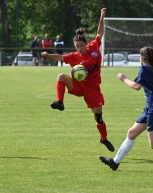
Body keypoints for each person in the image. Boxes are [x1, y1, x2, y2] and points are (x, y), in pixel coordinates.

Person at [41, 8, 115, 152]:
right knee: (61, 76)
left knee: (98, 117)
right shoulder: (75, 56)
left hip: (93, 89)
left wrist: (102, 16)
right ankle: (60, 102)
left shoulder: (94, 47)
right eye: (77, 47)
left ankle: (104, 139)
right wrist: (49, 55)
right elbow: (61, 57)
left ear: (86, 44)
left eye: (81, 46)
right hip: (79, 87)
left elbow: (100, 32)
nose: (79, 49)